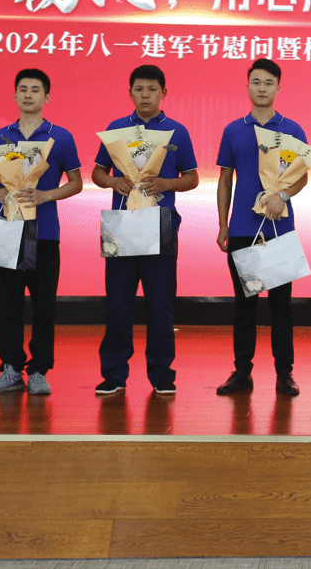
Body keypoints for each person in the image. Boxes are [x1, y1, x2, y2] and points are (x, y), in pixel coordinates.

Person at [0, 68, 83, 396]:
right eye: (23, 89)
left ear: (46, 97)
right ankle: (10, 369)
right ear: (15, 95)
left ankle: (39, 371)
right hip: (5, 230)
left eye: (35, 90)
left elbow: (76, 182)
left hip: (44, 232)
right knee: (6, 304)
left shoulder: (60, 137)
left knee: (44, 305)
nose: (29, 95)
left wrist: (46, 196)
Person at [91, 64, 198, 396]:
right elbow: (97, 173)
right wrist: (113, 182)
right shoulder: (116, 129)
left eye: (152, 89)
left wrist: (166, 183)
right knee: (118, 302)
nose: (146, 95)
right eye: (139, 89)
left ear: (163, 93)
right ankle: (114, 373)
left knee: (160, 303)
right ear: (130, 93)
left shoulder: (177, 131)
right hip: (121, 223)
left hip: (160, 223)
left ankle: (162, 373)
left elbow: (192, 178)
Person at [214, 58, 308, 397]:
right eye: (256, 82)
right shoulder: (233, 130)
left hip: (279, 228)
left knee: (281, 306)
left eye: (269, 82)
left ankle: (285, 373)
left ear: (278, 88)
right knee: (245, 305)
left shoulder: (292, 129)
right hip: (242, 228)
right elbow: (225, 180)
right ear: (248, 87)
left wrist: (282, 195)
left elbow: (302, 177)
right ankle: (242, 372)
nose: (262, 88)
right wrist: (222, 224)